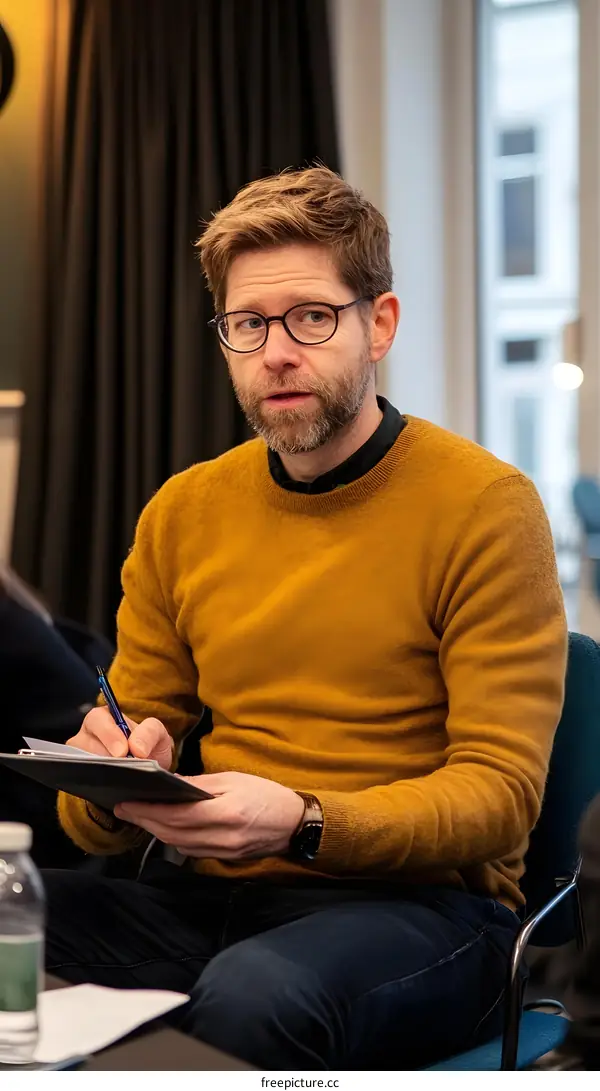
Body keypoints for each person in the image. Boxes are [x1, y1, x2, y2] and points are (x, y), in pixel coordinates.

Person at [44, 166, 568, 1070]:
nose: (277, 351)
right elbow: (98, 801)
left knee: (252, 1001)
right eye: (248, 324)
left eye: (312, 317)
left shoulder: (485, 505)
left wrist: (304, 820)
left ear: (380, 325)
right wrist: (111, 777)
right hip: (208, 904)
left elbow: (499, 796)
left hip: (427, 916)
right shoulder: (184, 511)